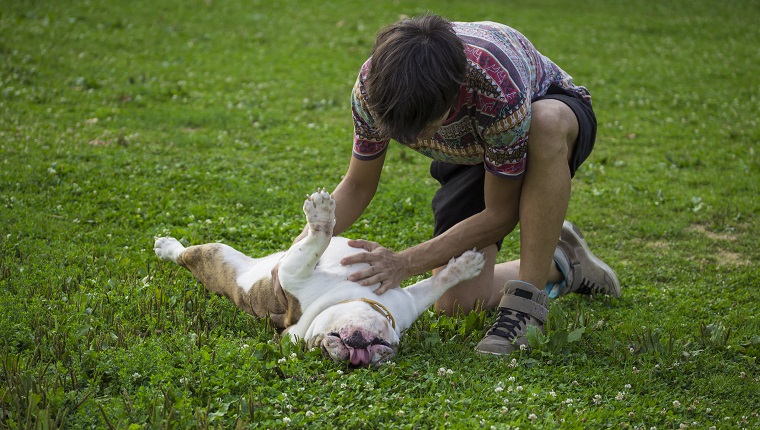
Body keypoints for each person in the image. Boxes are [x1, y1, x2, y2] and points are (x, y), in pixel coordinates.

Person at [278, 13, 621, 356]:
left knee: (546, 124)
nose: (411, 140)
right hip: (471, 150)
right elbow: (357, 186)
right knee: (457, 303)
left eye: (424, 128)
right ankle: (564, 262)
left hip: (543, 119)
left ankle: (525, 305)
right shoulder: (373, 86)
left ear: (453, 97)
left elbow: (500, 212)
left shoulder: (496, 86)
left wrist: (406, 262)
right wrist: (296, 255)